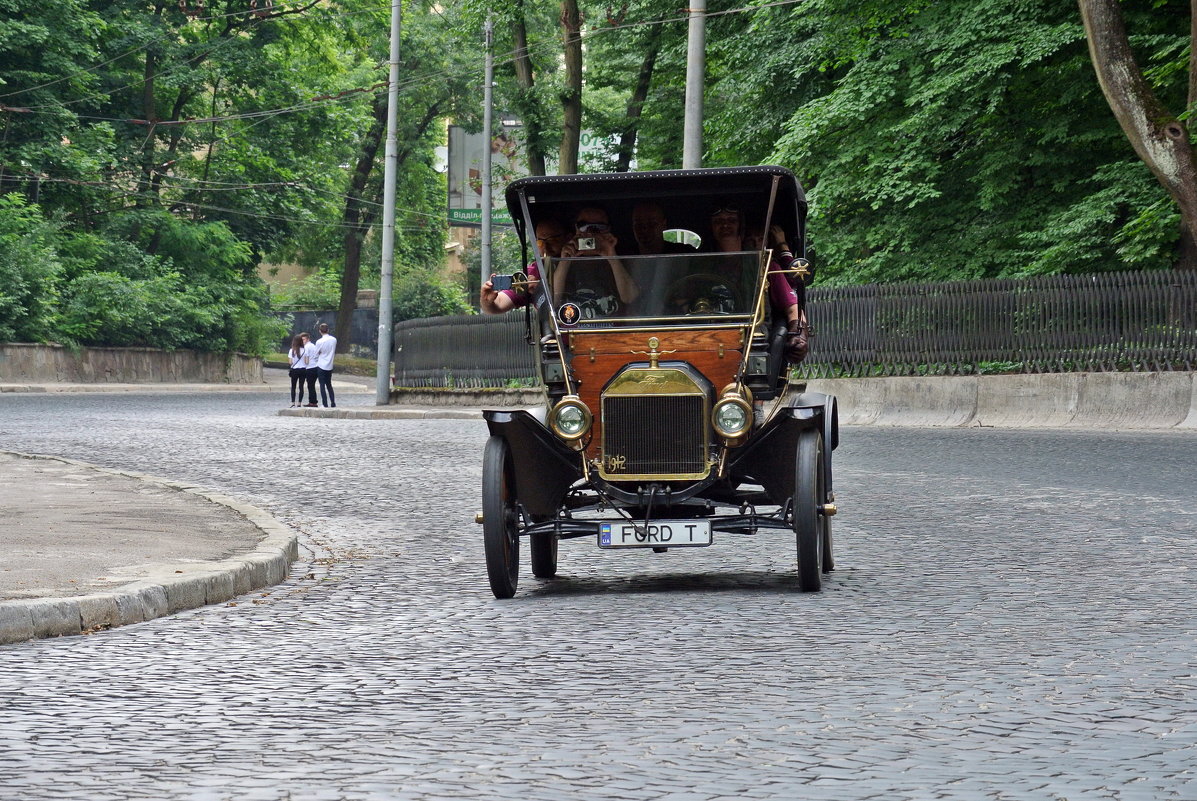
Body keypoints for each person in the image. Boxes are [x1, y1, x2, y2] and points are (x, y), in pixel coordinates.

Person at [707, 204, 808, 363]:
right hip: (707, 339)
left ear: (741, 227)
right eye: (718, 221)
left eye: (731, 221)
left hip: (752, 343)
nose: (725, 226)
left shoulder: (766, 266)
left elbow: (793, 307)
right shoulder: (700, 266)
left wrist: (800, 335)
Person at [552, 206, 639, 319]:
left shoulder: (622, 258)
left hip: (614, 333)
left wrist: (611, 256)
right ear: (575, 228)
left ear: (609, 231)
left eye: (599, 227)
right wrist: (564, 261)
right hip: (572, 333)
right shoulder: (560, 261)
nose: (590, 233)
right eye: (583, 226)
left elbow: (630, 298)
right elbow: (552, 302)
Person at [479, 216, 567, 314]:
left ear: (567, 237)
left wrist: (566, 259)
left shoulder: (583, 261)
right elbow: (499, 303)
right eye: (540, 242)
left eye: (552, 240)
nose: (545, 247)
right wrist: (486, 300)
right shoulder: (535, 272)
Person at [630, 202, 697, 255]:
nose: (644, 229)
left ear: (664, 225)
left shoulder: (683, 253)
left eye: (652, 224)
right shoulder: (623, 256)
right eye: (638, 224)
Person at [312, 323, 337, 408]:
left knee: (322, 385)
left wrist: (319, 355)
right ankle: (333, 402)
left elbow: (315, 354)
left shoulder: (319, 341)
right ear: (328, 330)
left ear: (320, 331)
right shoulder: (334, 340)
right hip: (330, 365)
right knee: (329, 384)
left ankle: (325, 403)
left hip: (321, 364)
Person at [287, 334, 309, 407]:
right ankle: (299, 402)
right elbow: (306, 362)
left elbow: (290, 362)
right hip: (303, 370)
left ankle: (293, 402)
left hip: (295, 370)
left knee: (293, 386)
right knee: (301, 386)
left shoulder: (292, 350)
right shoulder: (305, 350)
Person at [301, 332, 319, 407]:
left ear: (308, 339)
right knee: (312, 385)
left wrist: (304, 365)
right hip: (315, 367)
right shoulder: (313, 346)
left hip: (310, 368)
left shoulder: (306, 347)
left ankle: (312, 402)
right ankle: (313, 401)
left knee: (310, 386)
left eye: (304, 339)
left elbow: (306, 360)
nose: (302, 341)